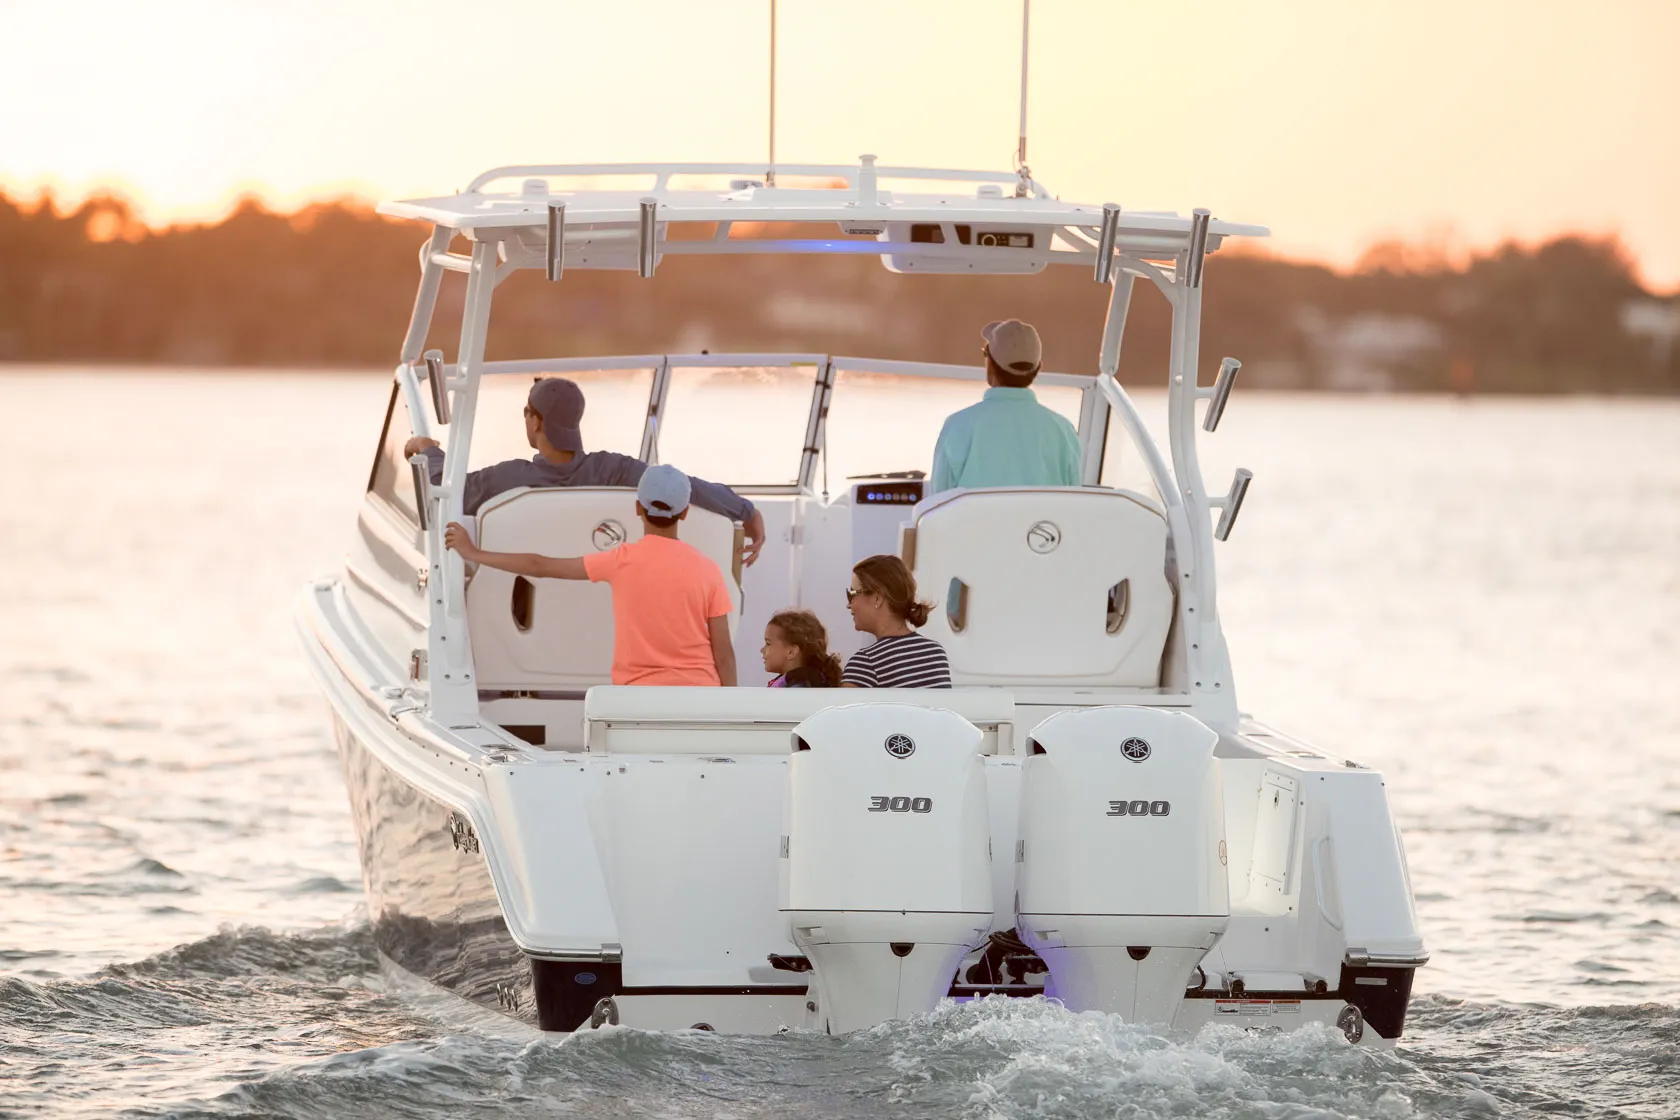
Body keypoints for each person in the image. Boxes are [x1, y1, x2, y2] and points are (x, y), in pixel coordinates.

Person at [408, 376, 766, 564]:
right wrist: (745, 511)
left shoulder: (505, 480)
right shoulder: (615, 470)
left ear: (535, 422)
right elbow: (684, 486)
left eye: (526, 413)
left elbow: (443, 488)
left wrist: (429, 449)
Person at [443, 464, 737, 687]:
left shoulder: (621, 561)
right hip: (701, 695)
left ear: (638, 508)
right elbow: (723, 655)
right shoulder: (708, 570)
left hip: (637, 698)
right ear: (684, 513)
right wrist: (727, 713)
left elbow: (539, 565)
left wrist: (474, 552)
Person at [929, 319, 1081, 494]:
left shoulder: (957, 426)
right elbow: (1072, 501)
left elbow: (937, 505)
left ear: (990, 365)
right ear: (1039, 368)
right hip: (1039, 522)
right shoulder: (1064, 430)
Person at [841, 555, 951, 688]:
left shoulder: (865, 664)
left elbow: (848, 708)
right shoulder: (935, 652)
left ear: (877, 598)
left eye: (852, 594)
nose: (849, 605)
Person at [761, 610, 843, 688]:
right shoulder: (794, 683)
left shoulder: (799, 690)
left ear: (791, 652)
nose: (762, 650)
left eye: (768, 643)